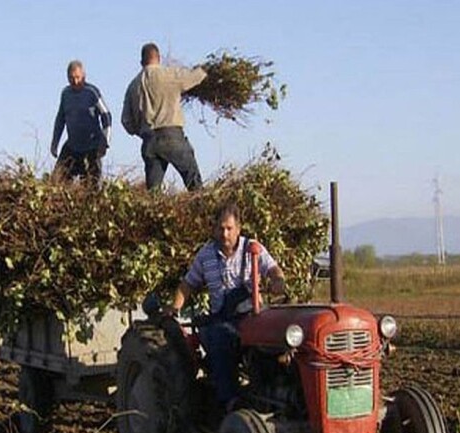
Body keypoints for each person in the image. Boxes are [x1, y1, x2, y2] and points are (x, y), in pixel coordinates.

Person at [165, 203, 285, 411]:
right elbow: (188, 284)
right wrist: (174, 308)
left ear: (238, 228)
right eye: (221, 228)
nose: (225, 233)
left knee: (277, 341)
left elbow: (274, 270)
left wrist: (277, 281)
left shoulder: (253, 248)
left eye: (229, 228)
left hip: (251, 314)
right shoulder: (205, 255)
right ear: (214, 229)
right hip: (222, 318)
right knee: (221, 338)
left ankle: (276, 392)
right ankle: (230, 401)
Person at [121, 42, 206, 191]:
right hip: (172, 137)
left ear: (142, 61)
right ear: (158, 58)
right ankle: (203, 210)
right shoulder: (169, 75)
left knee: (153, 193)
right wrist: (206, 70)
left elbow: (126, 121)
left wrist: (141, 131)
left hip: (149, 142)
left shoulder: (133, 86)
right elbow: (194, 78)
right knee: (194, 184)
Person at [50, 60, 112, 185]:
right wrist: (55, 142)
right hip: (72, 146)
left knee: (91, 186)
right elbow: (60, 119)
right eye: (71, 78)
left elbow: (107, 117)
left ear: (84, 76)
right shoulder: (65, 94)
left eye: (78, 77)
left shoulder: (92, 92)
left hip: (91, 147)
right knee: (57, 180)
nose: (75, 82)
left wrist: (105, 142)